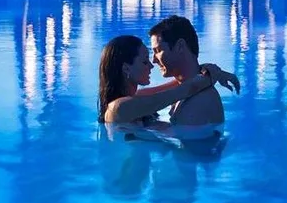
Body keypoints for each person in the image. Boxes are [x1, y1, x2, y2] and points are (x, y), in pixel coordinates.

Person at [97, 34, 238, 125]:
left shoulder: (135, 98)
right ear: (127, 69)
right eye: (145, 61)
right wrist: (212, 75)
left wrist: (205, 68)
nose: (151, 66)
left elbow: (179, 83)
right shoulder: (119, 108)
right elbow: (183, 90)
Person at [149, 15, 238, 126]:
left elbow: (192, 143)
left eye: (158, 50)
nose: (153, 60)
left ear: (180, 46)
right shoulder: (185, 90)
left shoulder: (198, 102)